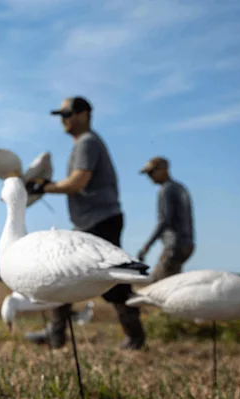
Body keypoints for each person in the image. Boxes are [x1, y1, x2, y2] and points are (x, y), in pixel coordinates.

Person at [25, 96, 147, 350]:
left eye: (68, 113)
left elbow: (78, 181)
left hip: (100, 221)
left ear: (85, 114)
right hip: (94, 221)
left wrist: (44, 187)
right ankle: (56, 333)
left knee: (111, 279)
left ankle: (135, 337)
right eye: (61, 115)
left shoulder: (88, 142)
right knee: (65, 274)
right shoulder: (84, 143)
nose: (64, 119)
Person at [135, 157, 195, 281]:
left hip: (174, 246)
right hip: (187, 244)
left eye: (151, 172)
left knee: (158, 284)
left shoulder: (166, 190)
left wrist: (146, 247)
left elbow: (164, 221)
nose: (150, 177)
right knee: (173, 283)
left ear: (163, 170)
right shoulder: (180, 188)